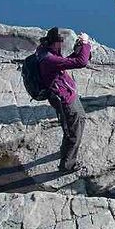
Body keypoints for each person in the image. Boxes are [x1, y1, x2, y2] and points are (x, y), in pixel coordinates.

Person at [37, 27, 91, 173]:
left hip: (65, 93)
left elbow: (68, 61)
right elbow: (81, 62)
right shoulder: (50, 59)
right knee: (74, 131)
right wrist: (85, 44)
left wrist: (79, 48)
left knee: (75, 123)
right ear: (55, 42)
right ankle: (67, 165)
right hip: (64, 99)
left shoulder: (45, 50)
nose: (63, 45)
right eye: (61, 42)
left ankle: (66, 151)